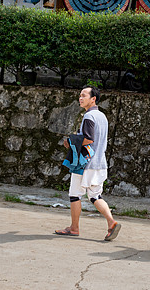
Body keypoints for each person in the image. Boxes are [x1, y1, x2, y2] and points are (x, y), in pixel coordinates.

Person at [54, 86, 121, 241]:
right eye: (80, 95)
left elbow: (89, 139)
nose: (80, 98)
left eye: (84, 95)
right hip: (99, 162)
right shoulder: (102, 116)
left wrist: (70, 141)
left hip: (84, 163)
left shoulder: (89, 117)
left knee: (74, 195)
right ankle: (111, 223)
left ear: (93, 99)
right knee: (95, 195)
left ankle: (74, 228)